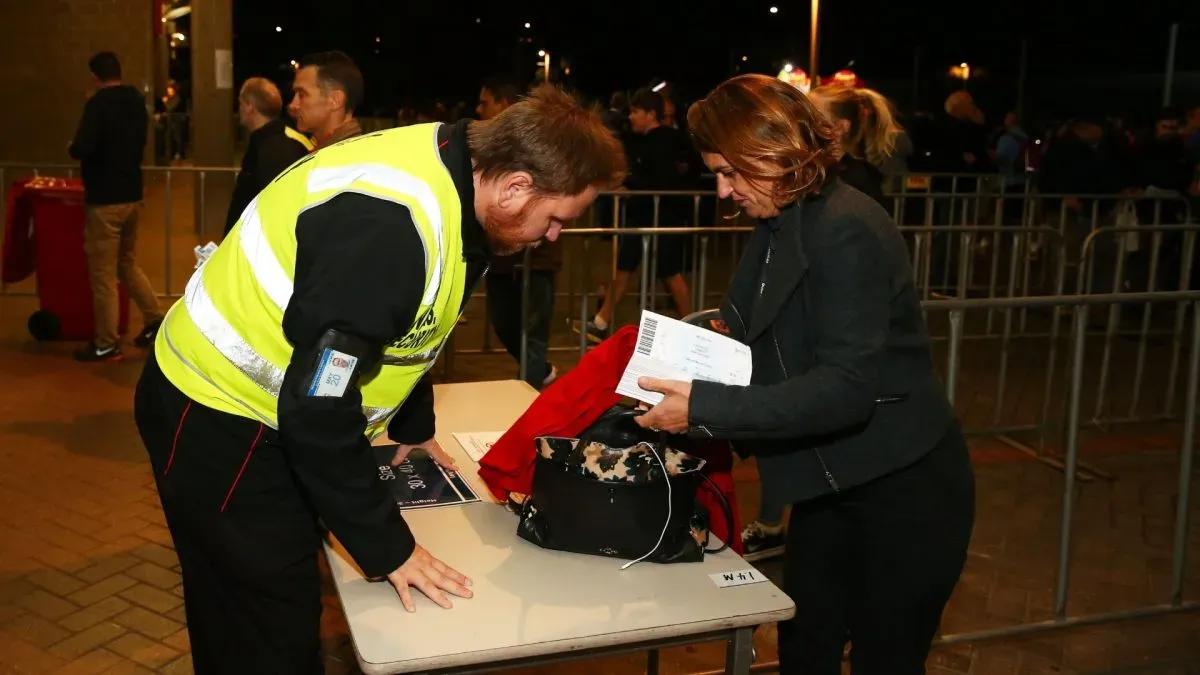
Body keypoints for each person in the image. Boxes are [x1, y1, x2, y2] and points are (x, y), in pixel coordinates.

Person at [134, 86, 625, 673]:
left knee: (255, 607)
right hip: (217, 416)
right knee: (266, 621)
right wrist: (388, 549)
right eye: (556, 219)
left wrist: (414, 428)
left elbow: (405, 326)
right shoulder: (388, 232)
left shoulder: (459, 167)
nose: (554, 237)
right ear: (517, 185)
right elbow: (316, 408)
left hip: (262, 409)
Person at [635, 74, 974, 673]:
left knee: (884, 659)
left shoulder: (846, 228)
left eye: (732, 173)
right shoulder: (779, 219)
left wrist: (706, 407)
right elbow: (754, 330)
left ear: (777, 154)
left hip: (901, 489)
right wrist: (719, 348)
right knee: (804, 647)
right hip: (830, 484)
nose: (723, 191)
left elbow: (845, 388)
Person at [68, 51, 164, 362]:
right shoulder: (135, 101)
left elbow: (83, 146)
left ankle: (106, 342)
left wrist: (73, 143)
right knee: (127, 263)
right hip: (132, 194)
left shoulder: (97, 104)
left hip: (105, 200)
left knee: (103, 275)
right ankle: (153, 319)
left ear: (95, 77)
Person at [579, 87, 693, 341]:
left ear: (651, 114)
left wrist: (629, 183)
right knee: (624, 267)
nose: (630, 117)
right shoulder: (644, 140)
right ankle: (600, 322)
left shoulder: (665, 140)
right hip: (641, 216)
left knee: (670, 273)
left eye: (636, 112)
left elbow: (659, 180)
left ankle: (692, 330)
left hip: (663, 218)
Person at [476, 78, 562, 387]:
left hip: (537, 257)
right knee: (503, 323)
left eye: (485, 102)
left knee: (533, 333)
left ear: (503, 103)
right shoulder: (492, 145)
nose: (479, 109)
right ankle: (539, 374)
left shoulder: (540, 145)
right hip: (500, 255)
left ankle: (530, 395)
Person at [224, 77, 313, 237]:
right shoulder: (272, 140)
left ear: (250, 107)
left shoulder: (277, 148)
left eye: (241, 103)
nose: (239, 109)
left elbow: (277, 210)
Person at [808, 86, 899, 208]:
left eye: (813, 117)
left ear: (841, 127)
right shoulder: (811, 171)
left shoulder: (857, 182)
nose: (803, 122)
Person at [287, 50, 363, 148]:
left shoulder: (346, 157)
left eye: (302, 95)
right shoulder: (326, 150)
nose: (293, 105)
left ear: (335, 100)